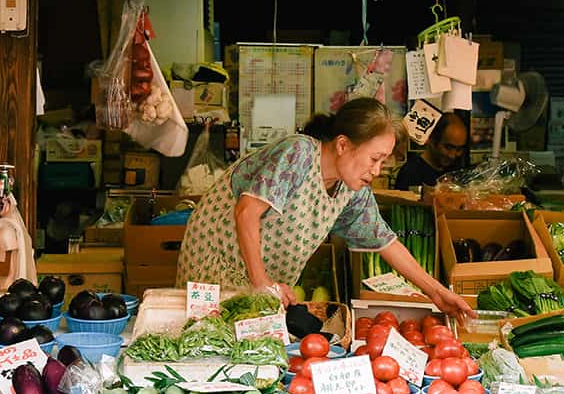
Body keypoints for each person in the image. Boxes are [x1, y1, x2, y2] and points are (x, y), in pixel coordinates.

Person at [175, 98, 474, 320]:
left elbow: (386, 242)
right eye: (374, 158)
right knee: (210, 336)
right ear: (343, 145)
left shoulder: (351, 189)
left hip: (262, 278)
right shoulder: (298, 154)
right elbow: (246, 212)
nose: (378, 169)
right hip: (218, 257)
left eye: (383, 162)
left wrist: (436, 292)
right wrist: (262, 283)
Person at [394, 112, 469, 190]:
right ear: (432, 140)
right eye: (448, 147)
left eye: (459, 149)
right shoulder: (410, 173)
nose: (452, 155)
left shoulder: (457, 172)